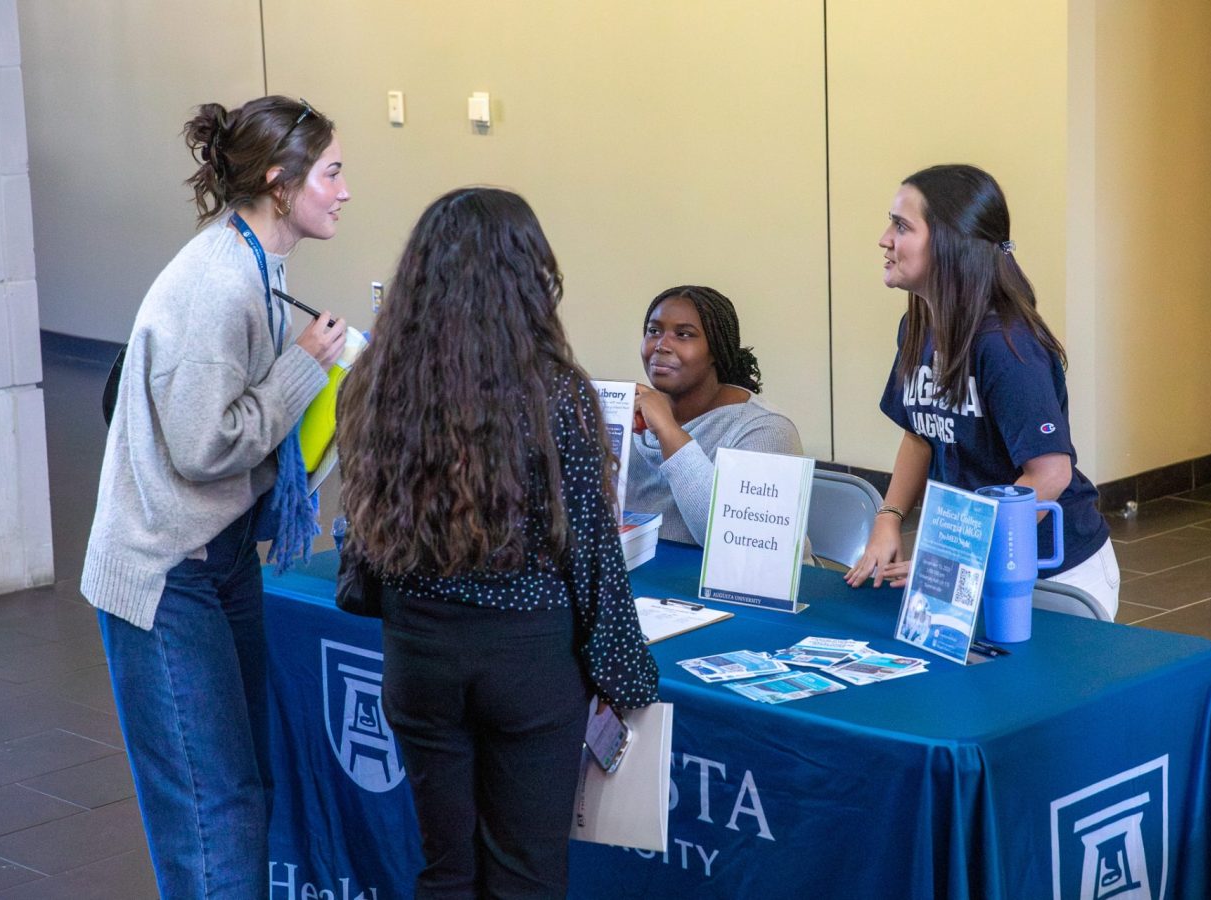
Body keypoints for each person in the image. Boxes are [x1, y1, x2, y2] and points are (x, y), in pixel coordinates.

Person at [335, 187, 659, 899]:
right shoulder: (554, 392)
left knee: (445, 871)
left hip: (418, 655)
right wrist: (627, 676)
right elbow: (588, 546)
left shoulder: (377, 383)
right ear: (526, 275)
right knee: (526, 877)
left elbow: (364, 522)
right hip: (528, 662)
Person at [80, 95, 349, 897]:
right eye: (331, 174)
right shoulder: (218, 283)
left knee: (242, 787)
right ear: (280, 182)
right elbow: (204, 448)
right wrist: (304, 367)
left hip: (216, 553)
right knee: (212, 809)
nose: (343, 191)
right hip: (167, 572)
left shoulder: (258, 264)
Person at [846, 164, 1118, 619]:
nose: (884, 239)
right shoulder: (918, 325)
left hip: (1050, 575)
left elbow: (1050, 475)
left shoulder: (1006, 344)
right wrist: (888, 518)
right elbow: (921, 434)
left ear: (950, 243)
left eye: (901, 226)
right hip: (971, 562)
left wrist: (958, 560)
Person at [628, 285, 804, 544]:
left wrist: (668, 431)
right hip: (650, 576)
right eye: (654, 331)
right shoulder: (630, 415)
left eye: (684, 334)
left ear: (716, 350)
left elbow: (734, 543)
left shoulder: (765, 429)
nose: (662, 345)